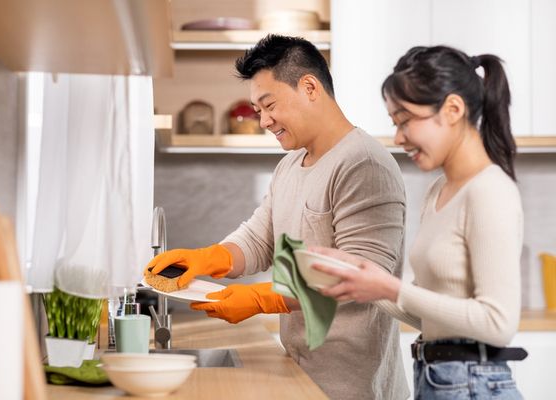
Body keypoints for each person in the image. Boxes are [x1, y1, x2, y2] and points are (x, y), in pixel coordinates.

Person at [145, 34, 409, 399]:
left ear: (310, 87)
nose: (264, 121)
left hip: (351, 385)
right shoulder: (289, 165)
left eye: (269, 105)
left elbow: (359, 273)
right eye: (257, 111)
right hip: (302, 371)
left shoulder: (363, 163)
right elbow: (258, 239)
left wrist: (259, 299)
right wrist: (208, 258)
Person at [311, 45, 526, 399]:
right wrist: (362, 278)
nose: (398, 137)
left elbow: (498, 324)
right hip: (437, 378)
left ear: (453, 109)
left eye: (406, 120)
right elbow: (436, 321)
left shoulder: (490, 190)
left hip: (475, 386)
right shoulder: (439, 190)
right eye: (395, 123)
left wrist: (390, 288)